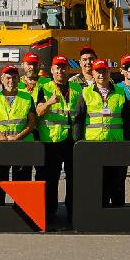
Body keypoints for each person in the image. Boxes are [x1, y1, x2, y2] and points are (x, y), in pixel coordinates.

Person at [71, 58, 130, 208]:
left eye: (104, 71)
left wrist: (128, 142)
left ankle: (117, 212)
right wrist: (78, 143)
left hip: (116, 144)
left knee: (117, 182)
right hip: (93, 146)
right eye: (98, 71)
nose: (101, 75)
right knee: (98, 181)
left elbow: (127, 119)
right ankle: (99, 212)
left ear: (109, 72)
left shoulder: (120, 92)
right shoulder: (85, 93)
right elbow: (78, 120)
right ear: (93, 73)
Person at [34, 55, 78, 227]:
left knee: (74, 179)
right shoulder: (43, 88)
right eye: (57, 68)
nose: (61, 70)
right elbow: (38, 112)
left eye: (63, 67)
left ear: (68, 69)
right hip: (51, 140)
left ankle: (72, 212)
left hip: (71, 140)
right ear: (52, 70)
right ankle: (50, 213)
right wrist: (50, 102)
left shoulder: (76, 88)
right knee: (50, 179)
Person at [0, 64, 37, 203]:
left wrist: (17, 138)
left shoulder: (27, 98)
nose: (11, 81)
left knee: (21, 184)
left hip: (22, 146)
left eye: (14, 78)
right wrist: (2, 138)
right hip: (0, 146)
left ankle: (21, 216)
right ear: (2, 79)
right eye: (8, 78)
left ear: (19, 79)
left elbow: (31, 122)